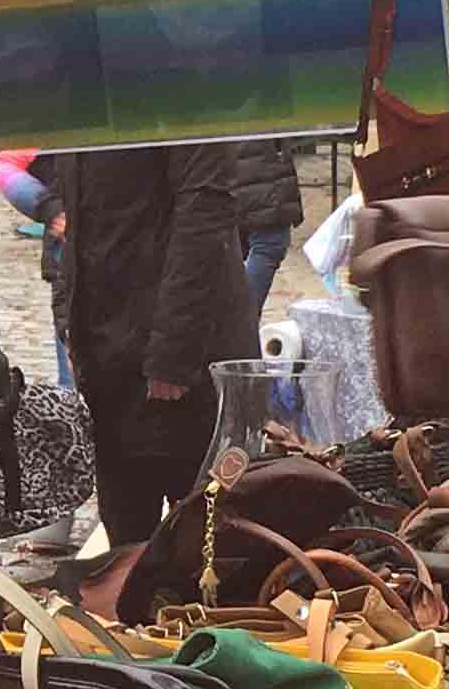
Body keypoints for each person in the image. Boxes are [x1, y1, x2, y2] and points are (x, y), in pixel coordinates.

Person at [52, 144, 251, 553]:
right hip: (108, 354)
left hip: (178, 355)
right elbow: (78, 224)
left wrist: (173, 357)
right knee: (126, 537)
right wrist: (68, 321)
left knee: (204, 541)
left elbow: (204, 217)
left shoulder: (177, 92)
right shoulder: (86, 97)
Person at [232, 138, 310, 305]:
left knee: (241, 246)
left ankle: (238, 322)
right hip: (253, 153)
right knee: (268, 241)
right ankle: (242, 322)